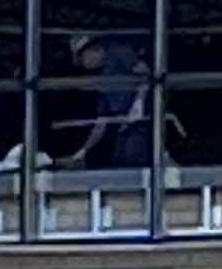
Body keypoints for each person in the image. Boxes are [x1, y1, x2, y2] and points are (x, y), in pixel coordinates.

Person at [59, 33, 155, 171]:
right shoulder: (101, 79)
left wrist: (139, 101)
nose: (84, 65)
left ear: (93, 50)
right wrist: (83, 152)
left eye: (82, 58)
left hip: (143, 121)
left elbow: (146, 74)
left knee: (132, 160)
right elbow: (101, 122)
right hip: (125, 127)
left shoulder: (119, 52)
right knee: (119, 161)